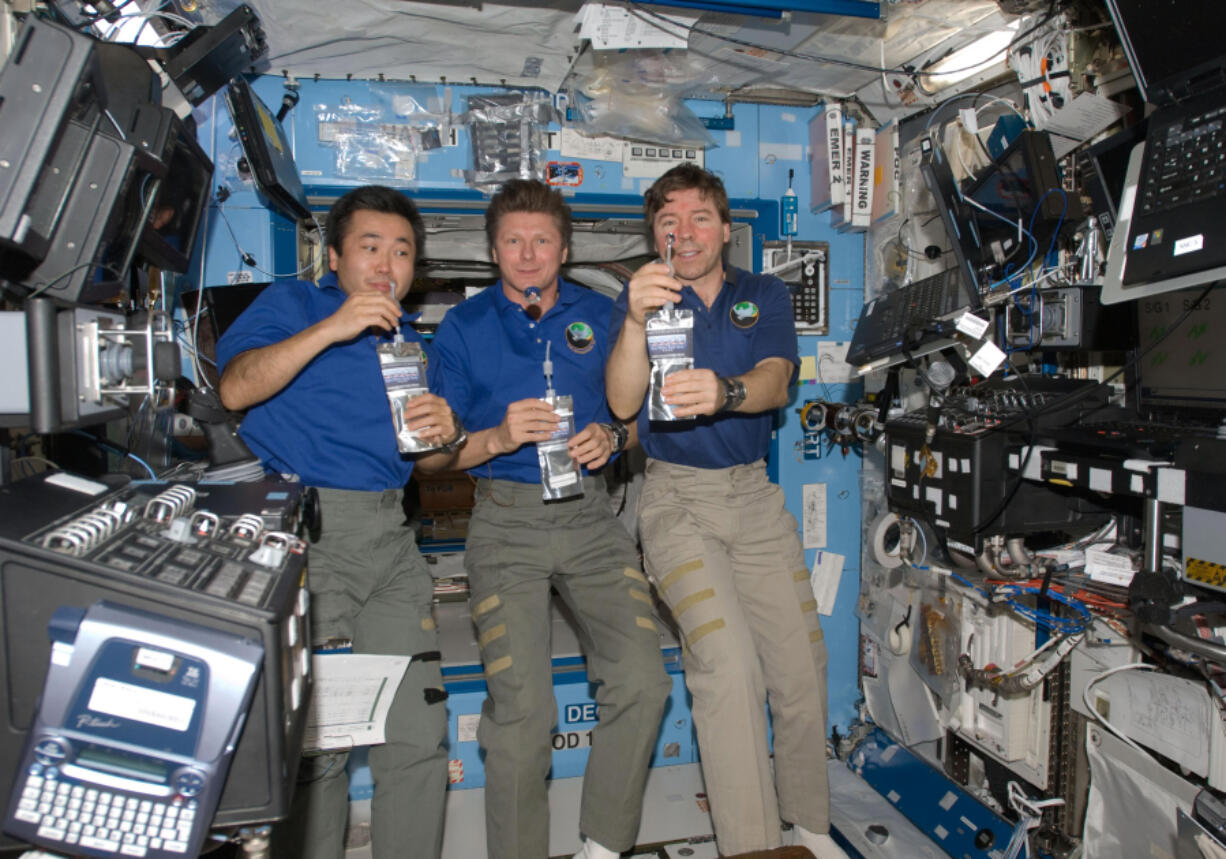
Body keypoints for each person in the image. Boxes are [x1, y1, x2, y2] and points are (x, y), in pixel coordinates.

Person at [418, 179, 671, 859]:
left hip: (590, 516)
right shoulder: (463, 330)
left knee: (644, 682)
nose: (527, 255)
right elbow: (434, 461)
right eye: (512, 241)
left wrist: (616, 440)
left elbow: (641, 417)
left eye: (542, 240)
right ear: (493, 248)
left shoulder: (607, 314)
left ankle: (603, 847)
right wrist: (497, 437)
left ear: (564, 247)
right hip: (505, 520)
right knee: (525, 715)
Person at [605, 164, 847, 859]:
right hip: (677, 499)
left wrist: (727, 390)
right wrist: (631, 318)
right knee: (728, 666)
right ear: (654, 233)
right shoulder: (641, 299)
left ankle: (808, 822)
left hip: (752, 496)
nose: (684, 233)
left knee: (800, 666)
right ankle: (749, 846)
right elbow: (623, 405)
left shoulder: (761, 292)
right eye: (668, 222)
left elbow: (777, 378)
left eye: (699, 217)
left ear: (726, 228)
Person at [216, 185, 461, 859]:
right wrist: (334, 325)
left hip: (391, 542)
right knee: (318, 748)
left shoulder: (415, 345)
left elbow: (433, 462)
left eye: (402, 250)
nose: (387, 264)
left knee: (417, 738)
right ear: (333, 257)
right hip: (309, 543)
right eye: (370, 246)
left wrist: (447, 433)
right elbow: (235, 386)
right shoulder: (295, 306)